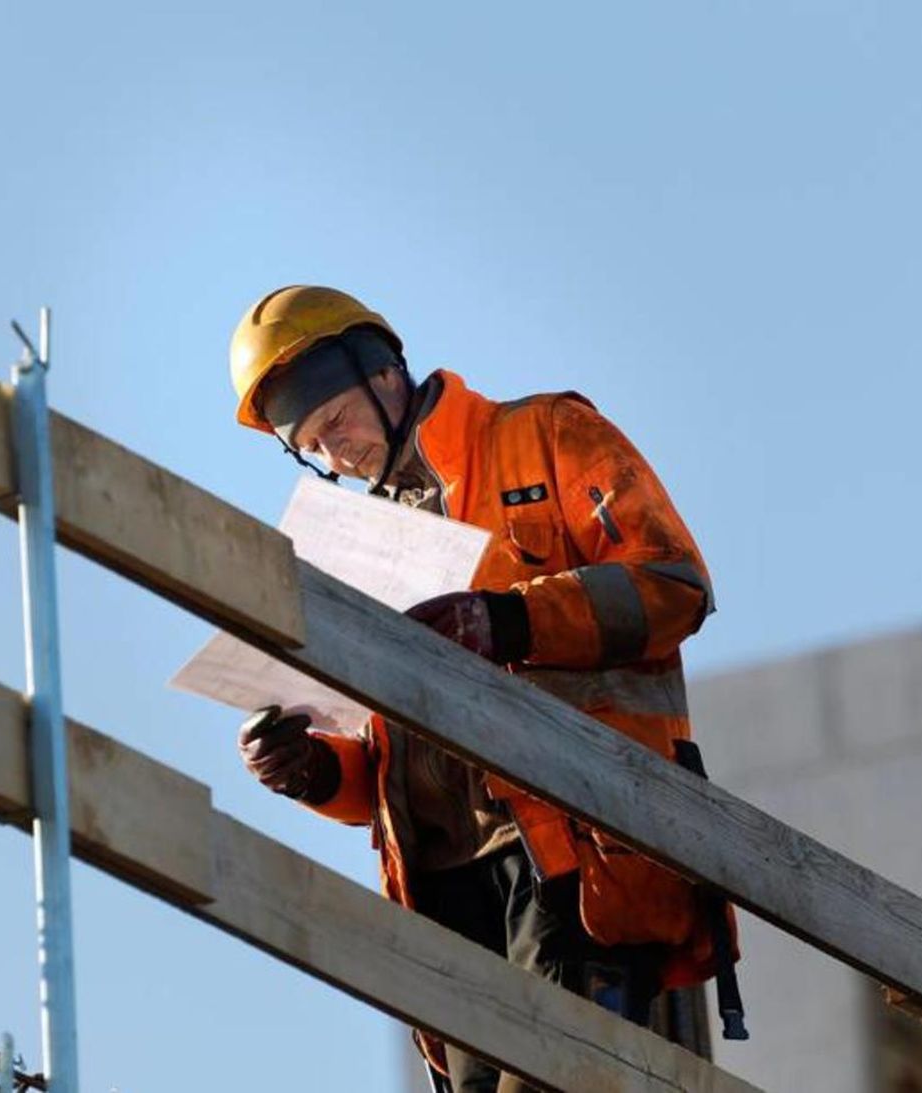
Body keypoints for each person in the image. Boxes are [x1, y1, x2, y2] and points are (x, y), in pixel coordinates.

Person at [227, 285, 730, 1092]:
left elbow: (675, 583)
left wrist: (506, 620)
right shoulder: (365, 545)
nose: (333, 455)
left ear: (383, 371)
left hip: (573, 856)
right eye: (311, 446)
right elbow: (392, 758)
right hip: (445, 893)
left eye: (336, 423)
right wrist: (316, 771)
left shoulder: (541, 435)